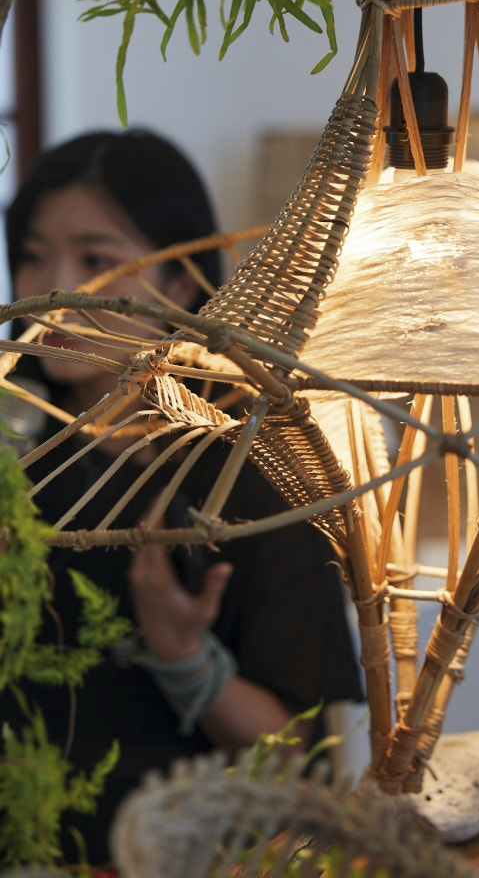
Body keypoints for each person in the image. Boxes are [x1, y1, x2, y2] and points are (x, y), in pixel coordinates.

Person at [0, 128, 364, 867]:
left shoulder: (253, 469)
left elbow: (292, 756)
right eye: (34, 255)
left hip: (176, 851)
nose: (54, 290)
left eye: (97, 261)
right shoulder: (18, 440)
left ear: (181, 283)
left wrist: (182, 653)